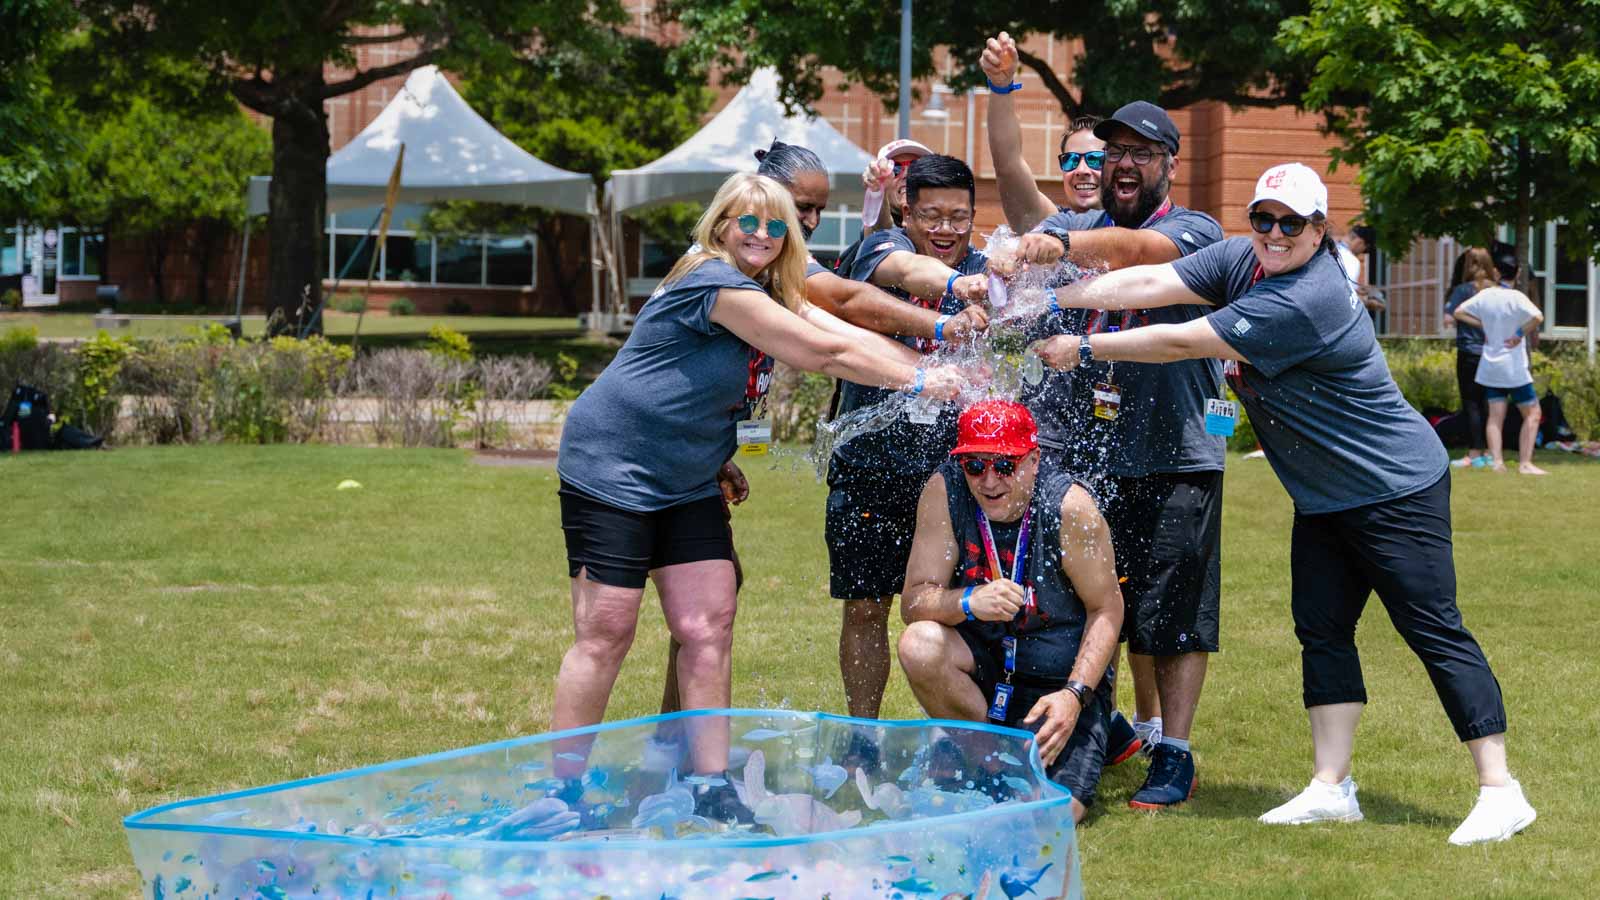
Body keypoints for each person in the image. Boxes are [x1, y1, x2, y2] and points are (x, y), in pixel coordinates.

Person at [1032, 162, 1535, 846]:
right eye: (1263, 218)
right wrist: (1061, 296)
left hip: (1396, 489)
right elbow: (1154, 282)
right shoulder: (1247, 259)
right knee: (1322, 631)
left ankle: (1501, 790)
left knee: (1433, 630)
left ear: (1320, 230)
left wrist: (1083, 342)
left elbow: (1184, 338)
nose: (1273, 233)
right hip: (1324, 496)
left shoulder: (1308, 297)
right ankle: (1332, 788)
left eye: (1291, 223)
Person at [553, 173, 966, 817]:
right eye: (749, 221)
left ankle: (711, 786)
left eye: (778, 226)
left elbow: (844, 329)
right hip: (613, 469)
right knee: (607, 632)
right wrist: (922, 375)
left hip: (687, 478)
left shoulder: (765, 289)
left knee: (707, 624)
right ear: (721, 226)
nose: (763, 235)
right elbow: (823, 351)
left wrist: (932, 360)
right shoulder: (710, 280)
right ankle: (562, 792)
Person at [655, 142, 990, 719]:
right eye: (798, 209)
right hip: (657, 462)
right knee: (670, 610)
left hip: (959, 473)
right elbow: (846, 312)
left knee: (709, 599)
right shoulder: (736, 265)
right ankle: (686, 737)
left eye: (813, 210)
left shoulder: (770, 265)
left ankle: (677, 735)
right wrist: (943, 323)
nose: (806, 222)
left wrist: (716, 456)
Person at [1002, 94, 1227, 809]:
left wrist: (1063, 248)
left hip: (1178, 448)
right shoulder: (1082, 224)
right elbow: (1014, 192)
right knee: (1103, 602)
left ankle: (1177, 753)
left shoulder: (1195, 229)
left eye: (1140, 153)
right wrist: (1005, 95)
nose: (1123, 164)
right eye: (1114, 152)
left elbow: (1139, 255)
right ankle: (1112, 732)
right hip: (1090, 455)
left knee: (1176, 611)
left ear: (1169, 164)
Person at [898, 400, 1123, 824]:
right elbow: (913, 603)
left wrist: (1074, 696)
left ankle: (1094, 728)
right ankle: (988, 757)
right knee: (919, 644)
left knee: (1049, 818)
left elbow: (1107, 608)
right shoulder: (944, 491)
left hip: (1056, 681)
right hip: (986, 670)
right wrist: (966, 601)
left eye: (1004, 465)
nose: (988, 481)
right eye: (974, 465)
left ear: (1034, 461)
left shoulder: (1070, 509)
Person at [827, 154, 991, 723]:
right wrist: (955, 289)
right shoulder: (878, 250)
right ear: (906, 210)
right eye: (931, 216)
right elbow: (905, 275)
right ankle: (861, 733)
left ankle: (960, 731)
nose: (945, 229)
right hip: (870, 466)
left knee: (954, 611)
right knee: (865, 607)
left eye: (958, 216)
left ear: (974, 216)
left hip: (958, 476)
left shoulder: (988, 268)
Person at [980, 31, 1104, 228]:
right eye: (1071, 160)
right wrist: (1000, 86)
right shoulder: (1050, 226)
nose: (1081, 170)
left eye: (1095, 159)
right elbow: (1007, 166)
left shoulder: (1144, 229)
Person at [1450, 278, 1548, 475]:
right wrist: (1519, 333)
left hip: (1491, 365)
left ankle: (1497, 462)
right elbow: (1538, 317)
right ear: (1517, 273)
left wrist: (1483, 325)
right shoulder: (1516, 296)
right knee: (1533, 413)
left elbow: (1458, 312)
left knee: (1495, 417)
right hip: (1514, 368)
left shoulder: (1485, 295)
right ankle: (1525, 463)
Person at [1442, 247, 1498, 467]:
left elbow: (1448, 318)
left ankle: (1475, 452)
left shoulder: (1463, 290)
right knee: (1492, 402)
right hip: (1494, 352)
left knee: (1472, 402)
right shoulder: (1498, 290)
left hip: (1469, 352)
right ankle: (1493, 452)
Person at [861, 138, 935, 236]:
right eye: (896, 168)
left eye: (916, 168)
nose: (906, 175)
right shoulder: (875, 226)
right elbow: (881, 230)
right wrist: (877, 191)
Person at [1336, 224, 1383, 313]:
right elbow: (1345, 297)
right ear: (1360, 242)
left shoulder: (1328, 247)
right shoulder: (1352, 261)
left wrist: (1357, 289)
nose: (1362, 253)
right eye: (1365, 250)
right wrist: (1367, 303)